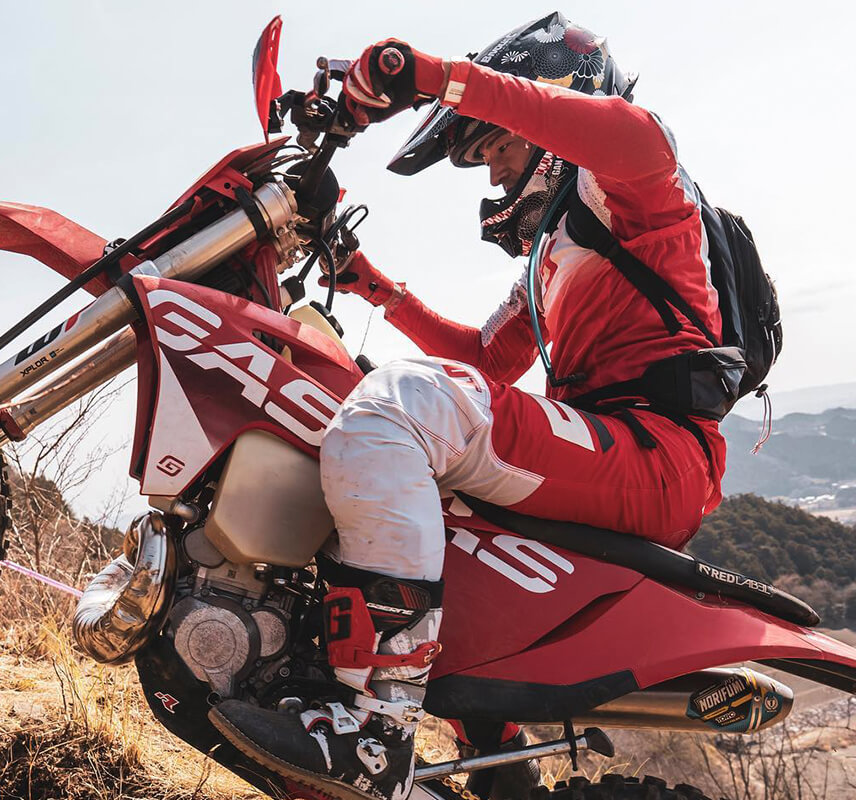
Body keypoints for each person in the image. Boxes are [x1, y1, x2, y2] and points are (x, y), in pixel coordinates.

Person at [211, 12, 727, 800]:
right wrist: (368, 281)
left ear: (559, 104)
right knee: (400, 462)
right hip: (614, 446)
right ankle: (499, 756)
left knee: (400, 406)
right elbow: (485, 359)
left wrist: (427, 75)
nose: (493, 178)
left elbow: (623, 133)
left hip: (653, 451)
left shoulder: (638, 180)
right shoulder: (557, 253)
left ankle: (375, 730)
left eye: (498, 149)